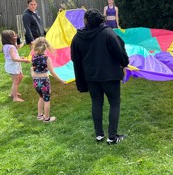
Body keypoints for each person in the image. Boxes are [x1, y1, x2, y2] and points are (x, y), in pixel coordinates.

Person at [71, 9, 129, 144]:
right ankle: (112, 138)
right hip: (110, 76)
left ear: (86, 21)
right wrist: (124, 64)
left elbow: (75, 58)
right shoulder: (108, 33)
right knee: (114, 103)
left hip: (91, 77)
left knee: (96, 103)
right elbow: (119, 51)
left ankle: (99, 135)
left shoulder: (78, 37)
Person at [31, 37, 67, 122]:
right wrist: (61, 81)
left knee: (41, 97)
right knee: (47, 99)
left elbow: (33, 68)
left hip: (36, 81)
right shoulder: (47, 58)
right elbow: (52, 72)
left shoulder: (33, 57)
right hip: (44, 82)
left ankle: (40, 116)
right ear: (46, 47)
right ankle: (47, 119)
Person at [1, 30, 30, 102]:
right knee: (15, 81)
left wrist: (20, 57)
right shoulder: (11, 47)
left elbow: (11, 56)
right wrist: (24, 60)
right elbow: (14, 59)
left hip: (12, 65)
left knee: (21, 77)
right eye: (14, 35)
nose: (16, 36)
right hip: (13, 66)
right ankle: (15, 97)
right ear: (10, 38)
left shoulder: (5, 46)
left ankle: (12, 93)